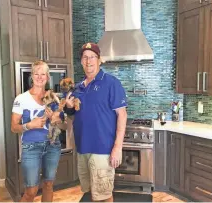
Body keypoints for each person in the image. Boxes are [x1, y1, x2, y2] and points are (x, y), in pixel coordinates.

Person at [65, 42, 128, 202]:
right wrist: (69, 108)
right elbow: (75, 116)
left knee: (104, 195)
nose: (88, 61)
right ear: (81, 62)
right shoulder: (78, 87)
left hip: (102, 149)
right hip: (83, 149)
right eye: (85, 57)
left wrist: (117, 147)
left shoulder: (111, 83)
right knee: (92, 193)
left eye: (92, 57)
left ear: (99, 60)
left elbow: (122, 115)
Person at [11, 60, 62, 202]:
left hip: (52, 146)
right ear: (32, 76)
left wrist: (54, 119)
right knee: (31, 191)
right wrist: (29, 125)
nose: (40, 77)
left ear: (47, 77)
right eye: (36, 74)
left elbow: (62, 124)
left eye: (43, 74)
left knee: (48, 184)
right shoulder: (21, 99)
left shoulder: (53, 98)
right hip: (31, 147)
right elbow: (13, 127)